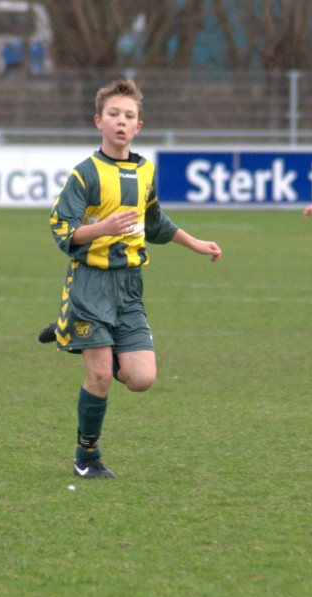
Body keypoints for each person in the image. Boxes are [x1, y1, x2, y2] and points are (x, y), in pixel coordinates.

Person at [39, 78, 222, 479]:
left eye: (129, 116)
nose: (121, 122)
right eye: (114, 115)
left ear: (139, 126)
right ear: (98, 121)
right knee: (101, 374)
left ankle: (69, 329)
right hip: (90, 283)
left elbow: (154, 223)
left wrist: (195, 243)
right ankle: (86, 458)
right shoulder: (84, 174)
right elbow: (62, 230)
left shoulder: (146, 171)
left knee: (141, 379)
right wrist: (101, 228)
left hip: (129, 287)